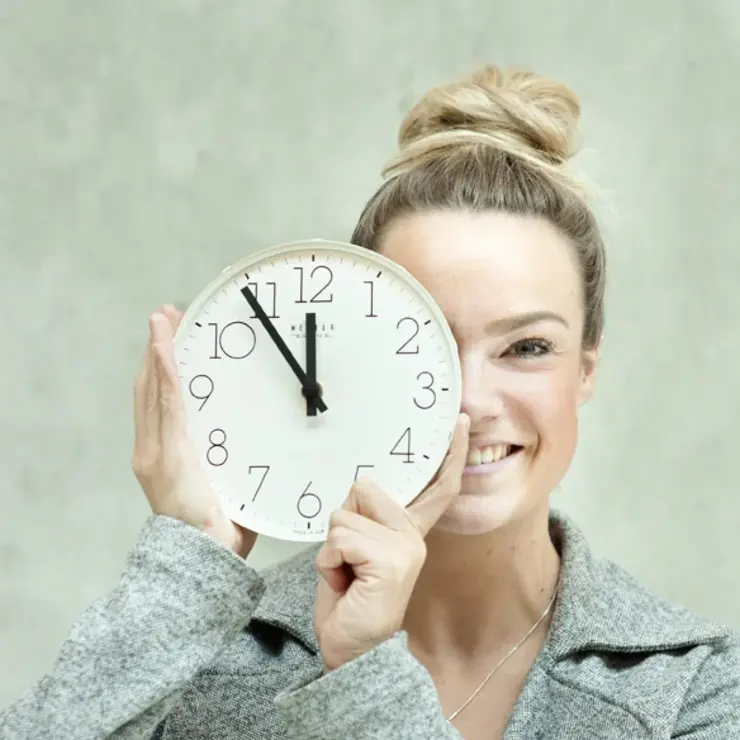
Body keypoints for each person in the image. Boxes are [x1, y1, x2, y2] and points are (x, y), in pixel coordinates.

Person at [1, 65, 738, 740]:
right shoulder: (202, 655)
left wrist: (365, 670)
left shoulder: (695, 688)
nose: (471, 402)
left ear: (585, 371)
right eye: (426, 348)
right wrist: (187, 566)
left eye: (527, 347)